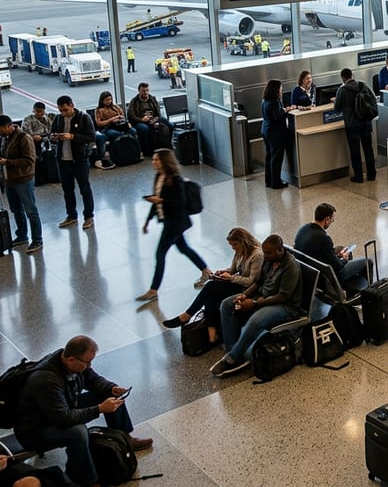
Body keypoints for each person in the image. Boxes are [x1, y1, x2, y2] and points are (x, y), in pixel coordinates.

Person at [14, 336, 153, 486]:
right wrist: (99, 409)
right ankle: (85, 479)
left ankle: (123, 438)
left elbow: (93, 380)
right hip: (37, 428)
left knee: (109, 394)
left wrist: (111, 388)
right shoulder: (46, 380)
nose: (89, 366)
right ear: (71, 360)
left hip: (61, 407)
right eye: (87, 362)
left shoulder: (72, 361)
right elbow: (63, 419)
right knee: (77, 432)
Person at [210, 235, 304, 377]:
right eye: (264, 252)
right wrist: (245, 295)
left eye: (268, 253)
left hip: (286, 306)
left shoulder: (290, 266)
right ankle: (234, 351)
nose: (265, 256)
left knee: (256, 320)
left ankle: (232, 358)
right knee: (227, 305)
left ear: (280, 250)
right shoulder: (269, 260)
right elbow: (258, 282)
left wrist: (254, 303)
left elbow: (283, 296)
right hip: (264, 297)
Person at [161, 227, 263, 348]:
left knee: (211, 287)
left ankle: (189, 317)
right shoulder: (240, 252)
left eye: (235, 244)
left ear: (244, 241)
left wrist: (231, 278)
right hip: (239, 283)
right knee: (211, 293)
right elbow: (234, 269)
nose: (233, 248)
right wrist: (223, 272)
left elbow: (252, 281)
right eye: (231, 245)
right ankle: (211, 332)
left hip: (247, 290)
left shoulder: (257, 255)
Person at [136, 148, 210, 302]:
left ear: (164, 161)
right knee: (183, 248)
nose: (153, 162)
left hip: (176, 222)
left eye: (156, 159)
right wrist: (147, 221)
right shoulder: (159, 177)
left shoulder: (175, 179)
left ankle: (153, 289)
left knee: (160, 253)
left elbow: (179, 202)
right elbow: (156, 200)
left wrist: (160, 201)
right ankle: (206, 271)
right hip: (169, 221)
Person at [294, 202, 369, 292]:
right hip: (328, 277)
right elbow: (336, 266)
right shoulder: (324, 238)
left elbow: (323, 253)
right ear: (327, 219)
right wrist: (344, 259)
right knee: (368, 261)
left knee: (341, 248)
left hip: (309, 270)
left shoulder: (302, 230)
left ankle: (350, 286)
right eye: (332, 221)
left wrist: (337, 255)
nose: (331, 223)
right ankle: (369, 293)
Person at [48, 96, 95, 230]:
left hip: (79, 160)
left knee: (84, 189)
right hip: (63, 160)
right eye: (61, 110)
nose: (63, 113)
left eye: (65, 110)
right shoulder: (58, 118)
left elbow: (91, 137)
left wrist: (73, 137)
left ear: (72, 105)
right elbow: (51, 133)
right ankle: (71, 215)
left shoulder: (84, 118)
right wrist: (53, 137)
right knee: (67, 190)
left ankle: (88, 216)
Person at [0, 115, 42, 253]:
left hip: (24, 179)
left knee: (30, 210)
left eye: (1, 129)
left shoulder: (24, 138)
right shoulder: (5, 138)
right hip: (10, 180)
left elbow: (29, 160)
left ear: (8, 126)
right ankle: (22, 235)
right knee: (16, 209)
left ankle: (37, 239)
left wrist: (7, 162)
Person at [333, 68, 376, 183]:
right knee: (368, 149)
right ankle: (372, 174)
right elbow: (373, 99)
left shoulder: (342, 90)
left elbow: (337, 108)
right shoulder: (363, 85)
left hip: (352, 125)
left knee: (355, 150)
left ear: (342, 78)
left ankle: (358, 176)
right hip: (366, 122)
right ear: (352, 75)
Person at [261, 79, 294, 190]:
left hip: (266, 129)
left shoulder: (265, 100)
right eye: (280, 88)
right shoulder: (275, 101)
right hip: (276, 132)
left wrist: (283, 110)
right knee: (276, 157)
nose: (281, 90)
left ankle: (269, 180)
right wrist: (286, 111)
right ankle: (276, 182)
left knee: (269, 156)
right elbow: (277, 117)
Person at [127, 82, 170, 157]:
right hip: (140, 120)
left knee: (170, 125)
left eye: (147, 90)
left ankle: (167, 146)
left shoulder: (152, 98)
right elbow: (131, 116)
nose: (145, 93)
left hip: (153, 118)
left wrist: (155, 120)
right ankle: (147, 150)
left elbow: (158, 112)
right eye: (143, 91)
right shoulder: (134, 101)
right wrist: (141, 119)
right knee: (145, 129)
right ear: (139, 91)